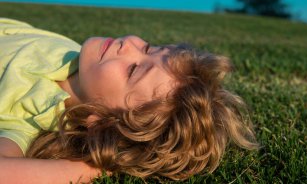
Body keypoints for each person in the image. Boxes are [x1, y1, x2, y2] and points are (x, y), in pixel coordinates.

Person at [0, 18, 258, 183]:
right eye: (149, 49)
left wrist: (94, 168)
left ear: (101, 122)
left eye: (133, 70)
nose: (129, 45)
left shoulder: (24, 114)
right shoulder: (72, 53)